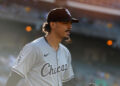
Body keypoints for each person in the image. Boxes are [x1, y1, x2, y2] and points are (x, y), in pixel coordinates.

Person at [6, 7, 79, 86]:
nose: (69, 27)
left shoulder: (65, 52)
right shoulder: (33, 48)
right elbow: (14, 76)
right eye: (65, 23)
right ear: (53, 24)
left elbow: (68, 82)